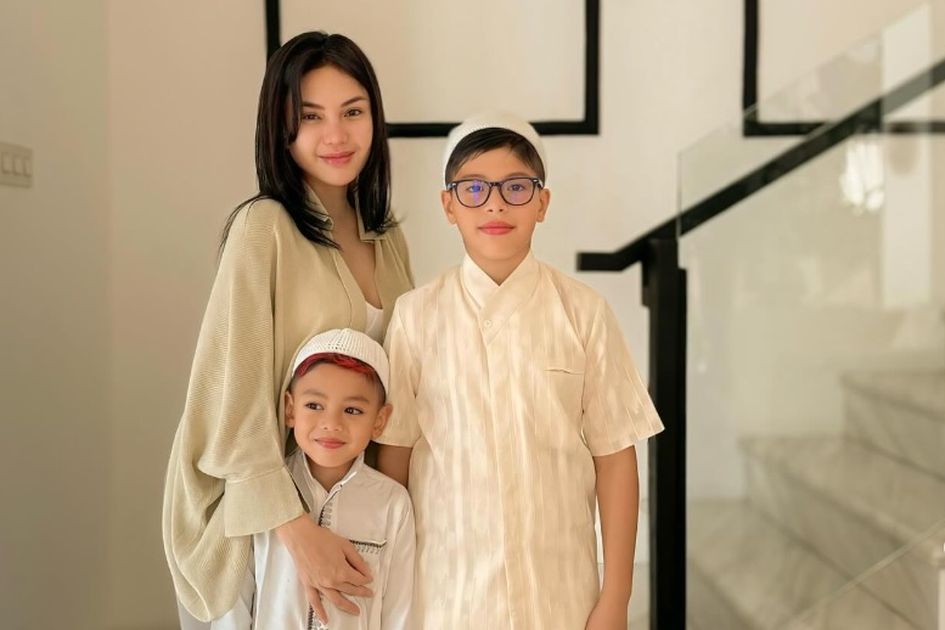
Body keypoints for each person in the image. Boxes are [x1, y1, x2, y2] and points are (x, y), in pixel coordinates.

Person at [375, 112, 664, 629]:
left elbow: (616, 460)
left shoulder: (583, 313)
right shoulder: (416, 318)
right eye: (473, 188)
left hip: (561, 598)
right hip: (445, 599)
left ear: (542, 202)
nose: (495, 204)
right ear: (448, 205)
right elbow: (392, 463)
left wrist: (616, 597)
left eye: (515, 187)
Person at [162, 32, 413, 627]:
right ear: (281, 128)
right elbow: (231, 402)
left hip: (353, 515)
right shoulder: (263, 227)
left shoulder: (387, 235)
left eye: (352, 112)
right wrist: (298, 533)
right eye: (311, 116)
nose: (336, 135)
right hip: (261, 532)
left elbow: (399, 386)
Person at [212, 328, 414, 630]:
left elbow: (400, 612)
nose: (331, 423)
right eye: (314, 406)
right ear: (290, 409)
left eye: (352, 410)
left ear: (379, 420)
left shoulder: (393, 504)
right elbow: (233, 603)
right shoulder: (262, 493)